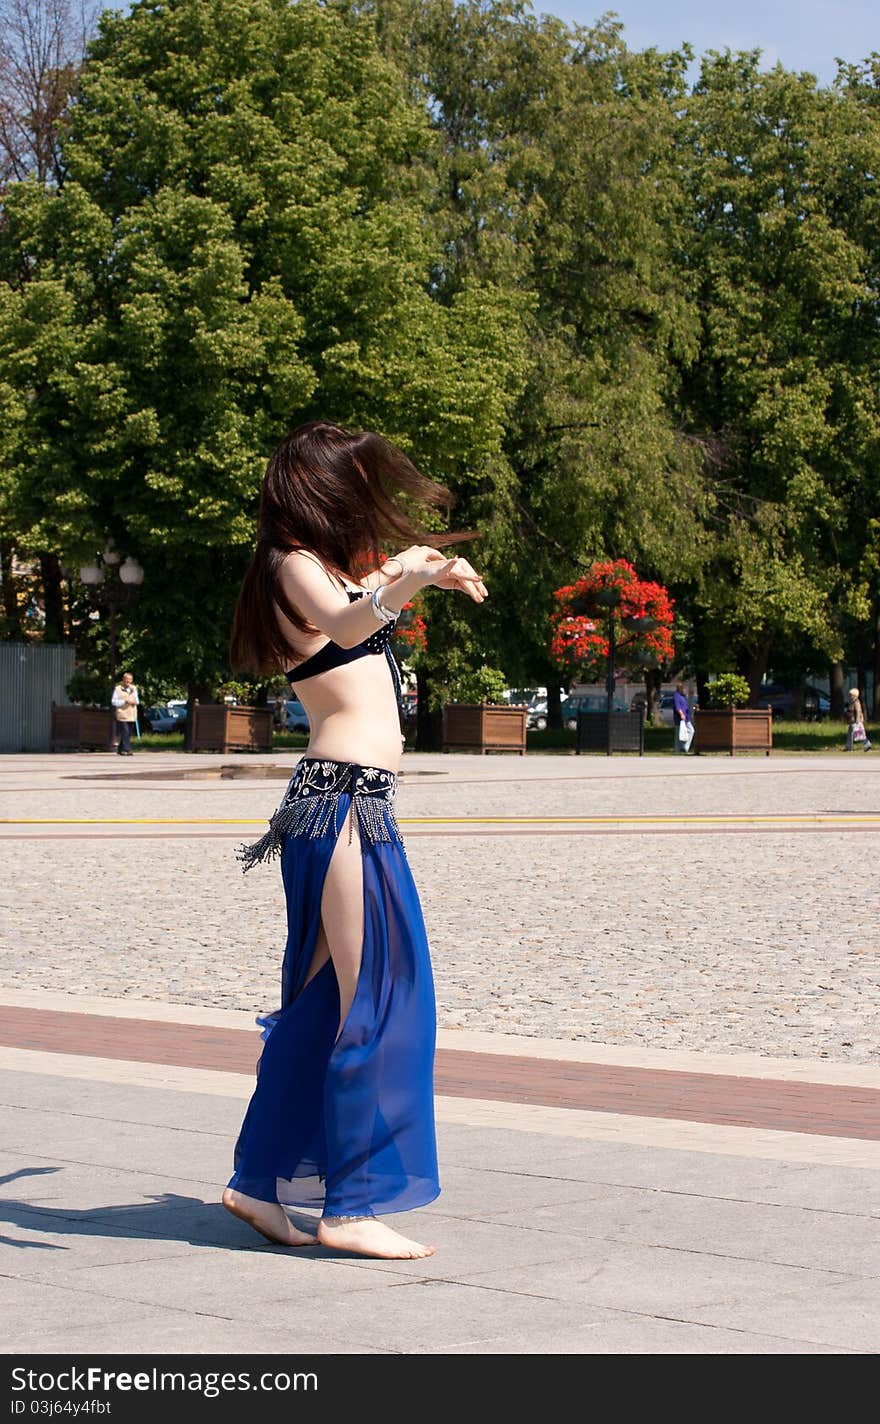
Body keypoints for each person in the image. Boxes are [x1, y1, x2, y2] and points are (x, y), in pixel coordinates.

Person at [222, 421, 486, 1261]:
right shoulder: (288, 562)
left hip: (348, 802)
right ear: (317, 486)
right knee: (376, 993)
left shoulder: (318, 565)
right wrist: (407, 576)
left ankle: (258, 1183)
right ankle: (350, 1204)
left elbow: (357, 603)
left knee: (333, 997)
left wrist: (427, 574)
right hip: (338, 803)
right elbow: (343, 624)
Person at [111, 671, 138, 755]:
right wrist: (125, 701)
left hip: (132, 714)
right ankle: (128, 749)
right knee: (125, 731)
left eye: (130, 680)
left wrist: (134, 702)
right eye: (127, 680)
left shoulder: (134, 688)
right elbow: (113, 702)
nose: (128, 682)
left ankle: (120, 749)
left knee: (128, 733)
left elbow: (137, 700)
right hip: (122, 714)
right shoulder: (118, 689)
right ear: (123, 679)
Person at [845, 687, 872, 752]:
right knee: (850, 734)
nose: (849, 696)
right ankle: (849, 747)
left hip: (856, 721)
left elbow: (858, 711)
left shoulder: (856, 702)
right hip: (852, 721)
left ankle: (867, 745)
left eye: (850, 695)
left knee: (859, 735)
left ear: (854, 695)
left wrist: (857, 720)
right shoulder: (852, 702)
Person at [672, 679, 694, 754]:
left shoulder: (683, 696)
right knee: (679, 733)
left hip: (686, 717)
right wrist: (681, 714)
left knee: (690, 730)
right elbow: (677, 706)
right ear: (680, 688)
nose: (685, 689)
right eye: (684, 688)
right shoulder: (676, 695)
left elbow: (685, 706)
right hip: (680, 718)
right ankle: (678, 749)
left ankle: (684, 747)